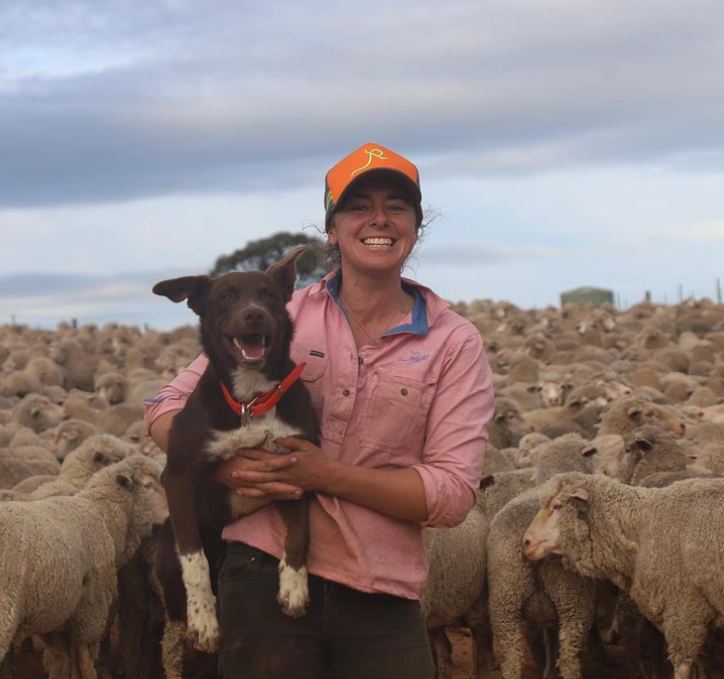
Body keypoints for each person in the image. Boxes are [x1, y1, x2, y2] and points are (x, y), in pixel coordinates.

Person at [144, 142, 495, 679]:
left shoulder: (455, 343)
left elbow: (451, 495)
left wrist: (324, 474)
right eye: (358, 207)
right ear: (332, 229)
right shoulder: (276, 314)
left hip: (382, 590)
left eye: (397, 206)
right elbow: (166, 407)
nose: (379, 219)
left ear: (416, 227)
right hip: (259, 576)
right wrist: (228, 465)